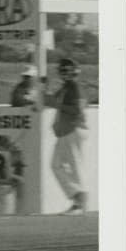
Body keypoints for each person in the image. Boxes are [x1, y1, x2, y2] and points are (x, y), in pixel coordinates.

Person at [45, 57, 88, 214]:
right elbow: (50, 102)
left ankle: (79, 203)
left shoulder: (74, 87)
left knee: (74, 166)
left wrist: (58, 105)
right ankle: (77, 196)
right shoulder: (66, 87)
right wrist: (44, 88)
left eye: (65, 70)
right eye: (62, 70)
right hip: (66, 132)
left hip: (73, 129)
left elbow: (77, 110)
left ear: (72, 71)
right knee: (55, 165)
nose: (62, 72)